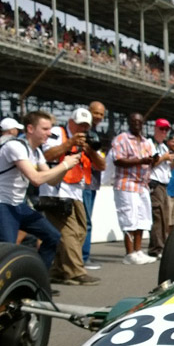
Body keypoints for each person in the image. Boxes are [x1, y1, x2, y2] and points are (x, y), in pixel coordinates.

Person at [0, 110, 81, 270]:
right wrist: (65, 165)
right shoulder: (15, 146)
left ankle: (37, 276)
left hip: (16, 204)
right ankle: (1, 287)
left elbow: (51, 181)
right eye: (45, 129)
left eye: (50, 128)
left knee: (52, 236)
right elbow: (35, 179)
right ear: (30, 129)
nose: (49, 133)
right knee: (6, 250)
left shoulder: (36, 152)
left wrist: (65, 165)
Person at [41, 107, 104, 285]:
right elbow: (47, 154)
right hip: (57, 191)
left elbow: (102, 165)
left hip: (76, 191)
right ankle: (76, 271)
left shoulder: (88, 139)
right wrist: (70, 143)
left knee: (81, 231)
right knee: (68, 232)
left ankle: (58, 270)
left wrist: (90, 150)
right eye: (79, 125)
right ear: (70, 122)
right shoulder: (57, 133)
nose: (82, 130)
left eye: (85, 126)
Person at [111, 112, 157, 265]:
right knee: (129, 218)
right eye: (133, 121)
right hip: (127, 183)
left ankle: (138, 251)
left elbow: (150, 162)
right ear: (129, 122)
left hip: (143, 184)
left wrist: (153, 160)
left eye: (139, 121)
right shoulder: (121, 139)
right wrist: (140, 160)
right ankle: (129, 253)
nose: (137, 124)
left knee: (142, 219)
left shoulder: (146, 142)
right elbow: (118, 160)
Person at [82, 100, 106, 269]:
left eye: (101, 114)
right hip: (82, 182)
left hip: (93, 182)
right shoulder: (83, 132)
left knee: (87, 221)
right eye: (95, 112)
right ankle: (82, 257)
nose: (98, 116)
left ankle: (84, 256)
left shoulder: (95, 133)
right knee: (84, 222)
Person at [148, 118, 174, 259]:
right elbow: (150, 163)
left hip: (164, 183)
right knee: (157, 215)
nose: (164, 132)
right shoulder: (150, 143)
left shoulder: (164, 146)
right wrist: (164, 158)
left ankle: (161, 245)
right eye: (162, 129)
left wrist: (172, 161)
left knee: (165, 216)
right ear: (155, 129)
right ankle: (156, 247)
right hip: (154, 182)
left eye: (166, 130)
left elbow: (167, 168)